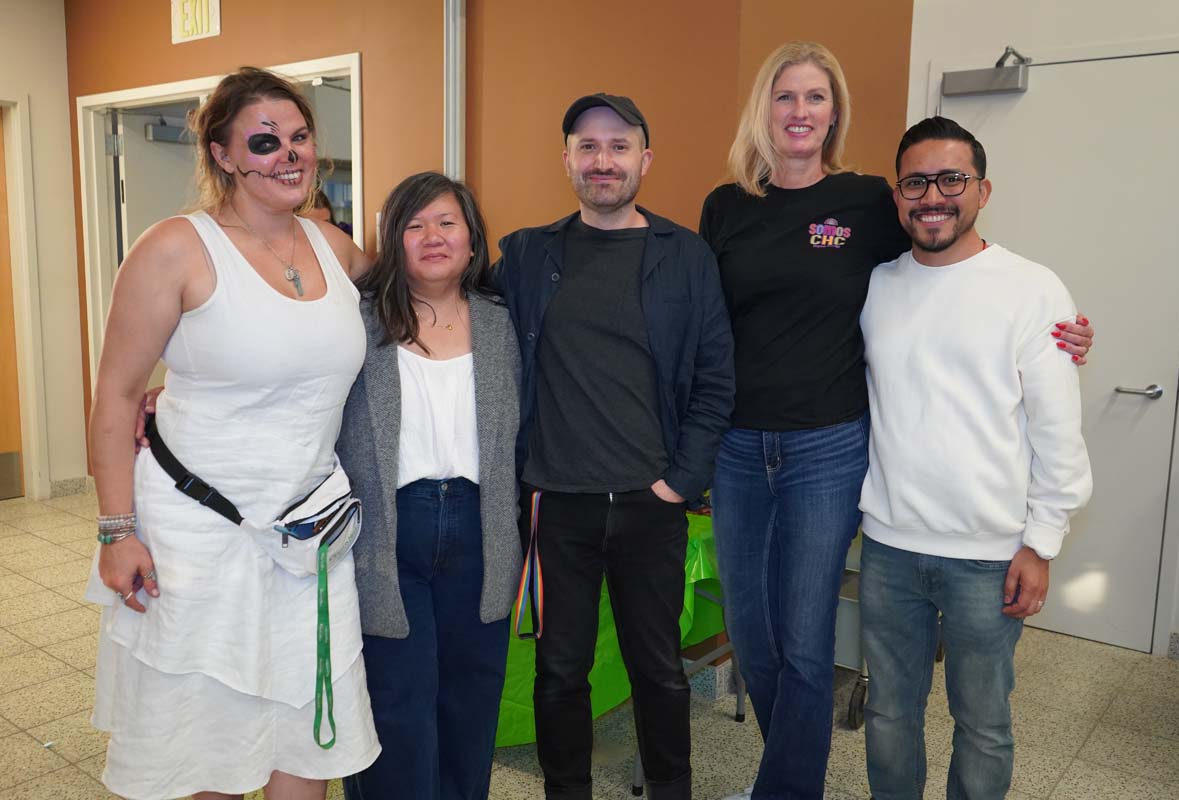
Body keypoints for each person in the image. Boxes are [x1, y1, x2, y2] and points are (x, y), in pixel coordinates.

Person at [700, 42, 1094, 800]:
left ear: (835, 113)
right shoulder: (727, 207)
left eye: (817, 97)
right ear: (764, 109)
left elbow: (957, 257)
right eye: (787, 96)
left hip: (827, 449)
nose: (801, 112)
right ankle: (785, 777)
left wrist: (1064, 329)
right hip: (742, 449)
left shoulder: (867, 205)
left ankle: (785, 790)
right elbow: (702, 324)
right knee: (756, 637)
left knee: (810, 642)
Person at [86, 67, 379, 799]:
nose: (289, 154)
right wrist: (116, 531)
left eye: (301, 136)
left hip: (306, 539)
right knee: (204, 756)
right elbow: (117, 395)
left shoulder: (334, 247)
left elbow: (418, 305)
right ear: (223, 155)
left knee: (304, 750)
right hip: (196, 540)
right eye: (265, 140)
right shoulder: (175, 248)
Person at [493, 93, 735, 800]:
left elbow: (717, 377)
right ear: (566, 159)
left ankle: (670, 788)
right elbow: (448, 311)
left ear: (644, 160)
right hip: (555, 506)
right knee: (560, 671)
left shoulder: (684, 255)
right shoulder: (529, 254)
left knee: (657, 668)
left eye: (619, 146)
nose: (604, 161)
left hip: (649, 504)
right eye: (588, 147)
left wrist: (680, 481)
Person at [858, 116, 1093, 800]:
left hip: (990, 559)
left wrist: (1041, 542)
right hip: (889, 549)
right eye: (915, 181)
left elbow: (1057, 428)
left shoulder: (1032, 288)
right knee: (889, 716)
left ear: (982, 190)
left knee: (983, 723)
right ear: (897, 195)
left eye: (951, 179)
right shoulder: (875, 286)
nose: (933, 196)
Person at [338, 171, 522, 800]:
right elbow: (291, 392)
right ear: (393, 242)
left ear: (473, 239)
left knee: (471, 702)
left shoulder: (503, 322)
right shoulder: (357, 322)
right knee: (397, 705)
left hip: (483, 530)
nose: (432, 237)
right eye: (413, 225)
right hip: (386, 535)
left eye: (447, 222)